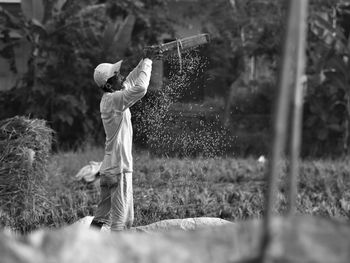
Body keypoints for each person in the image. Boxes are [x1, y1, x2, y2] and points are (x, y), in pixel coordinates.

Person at [90, 51, 159, 231]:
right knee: (122, 223)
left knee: (100, 218)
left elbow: (130, 79)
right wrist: (149, 62)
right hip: (119, 169)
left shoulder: (110, 98)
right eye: (116, 76)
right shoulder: (116, 99)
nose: (121, 76)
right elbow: (141, 88)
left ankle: (85, 249)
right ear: (109, 84)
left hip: (107, 170)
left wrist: (145, 58)